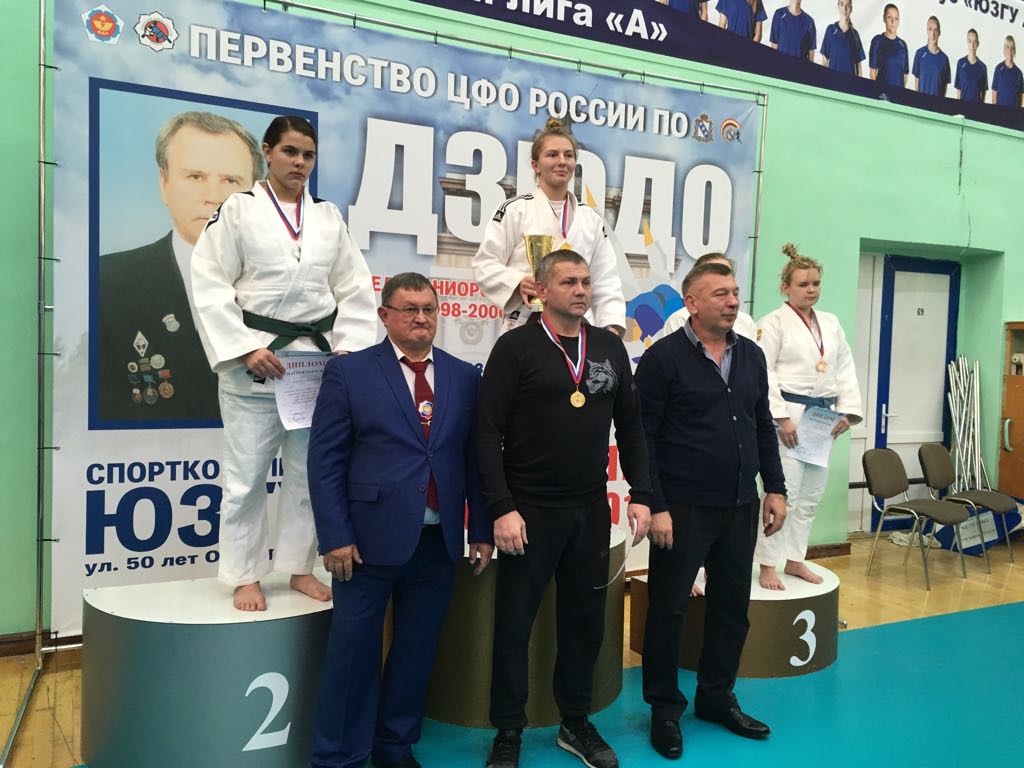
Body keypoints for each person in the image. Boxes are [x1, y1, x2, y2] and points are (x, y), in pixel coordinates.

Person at [307, 272, 494, 768]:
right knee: (353, 655)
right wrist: (335, 536)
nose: (421, 318)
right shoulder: (350, 373)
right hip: (365, 545)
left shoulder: (463, 376)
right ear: (384, 315)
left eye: (429, 309)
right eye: (409, 309)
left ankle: (394, 746)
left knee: (416, 651)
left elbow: (474, 459)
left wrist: (479, 529)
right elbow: (325, 462)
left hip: (437, 543)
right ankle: (339, 757)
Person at [191, 115, 377, 611]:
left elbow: (355, 287)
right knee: (247, 475)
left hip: (314, 365)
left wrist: (348, 350)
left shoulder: (327, 218)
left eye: (308, 155)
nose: (299, 162)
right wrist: (243, 347)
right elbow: (208, 280)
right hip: (256, 361)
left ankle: (299, 566)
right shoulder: (237, 210)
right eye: (290, 152)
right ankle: (245, 574)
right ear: (268, 152)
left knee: (309, 471)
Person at [477, 251, 652, 768]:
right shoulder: (515, 347)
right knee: (515, 626)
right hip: (528, 511)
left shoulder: (609, 348)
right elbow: (485, 432)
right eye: (569, 281)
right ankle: (508, 729)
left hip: (588, 510)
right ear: (542, 290)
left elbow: (632, 426)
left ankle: (575, 722)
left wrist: (642, 492)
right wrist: (501, 507)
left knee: (584, 624)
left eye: (586, 281)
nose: (580, 290)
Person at [636, 260, 786, 760]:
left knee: (731, 609)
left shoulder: (751, 355)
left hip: (740, 504)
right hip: (681, 509)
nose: (732, 301)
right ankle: (664, 708)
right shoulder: (662, 359)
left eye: (735, 292)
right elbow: (643, 438)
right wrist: (656, 504)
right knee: (668, 610)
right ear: (691, 303)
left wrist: (775, 488)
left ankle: (716, 697)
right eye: (720, 293)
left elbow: (762, 424)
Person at [98, 111, 263, 425]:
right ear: (164, 183)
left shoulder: (291, 286)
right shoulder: (106, 283)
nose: (213, 197)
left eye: (231, 180)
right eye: (195, 177)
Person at [754, 244, 862, 591]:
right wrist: (781, 417)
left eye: (815, 283)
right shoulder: (771, 323)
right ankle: (767, 564)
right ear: (785, 287)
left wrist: (848, 411)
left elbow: (844, 367)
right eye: (803, 284)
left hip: (822, 417)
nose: (811, 289)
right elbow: (763, 372)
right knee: (783, 493)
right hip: (790, 415)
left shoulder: (830, 323)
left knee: (812, 494)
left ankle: (795, 557)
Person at [473, 118, 625, 336]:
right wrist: (517, 282)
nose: (562, 161)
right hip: (527, 322)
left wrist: (610, 327)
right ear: (536, 165)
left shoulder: (591, 219)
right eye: (552, 155)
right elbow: (485, 263)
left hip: (578, 328)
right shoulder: (514, 210)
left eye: (568, 155)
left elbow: (605, 278)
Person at [654, 253, 757, 343]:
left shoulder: (746, 322)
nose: (733, 302)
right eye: (713, 271)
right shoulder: (678, 320)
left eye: (726, 272)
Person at [819, 0, 865, 77]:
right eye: (842, 4)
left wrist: (860, 82)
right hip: (832, 79)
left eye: (848, 5)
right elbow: (824, 59)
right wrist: (821, 78)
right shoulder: (831, 30)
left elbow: (858, 65)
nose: (845, 9)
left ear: (851, 8)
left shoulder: (855, 35)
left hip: (850, 81)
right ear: (838, 6)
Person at [869, 4, 908, 88]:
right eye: (889, 17)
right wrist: (880, 91)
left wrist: (901, 92)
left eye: (896, 18)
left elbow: (905, 75)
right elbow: (872, 73)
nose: (893, 22)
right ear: (884, 18)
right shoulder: (877, 41)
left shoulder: (903, 45)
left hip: (899, 93)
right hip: (882, 93)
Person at [912, 16, 951, 97]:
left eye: (935, 30)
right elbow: (916, 85)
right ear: (927, 31)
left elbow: (944, 90)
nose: (933, 34)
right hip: (921, 102)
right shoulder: (919, 54)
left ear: (939, 32)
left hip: (937, 104)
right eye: (930, 29)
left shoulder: (944, 59)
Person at [955, 29, 988, 104]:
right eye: (970, 41)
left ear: (978, 43)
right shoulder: (960, 63)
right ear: (967, 42)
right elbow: (958, 89)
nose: (972, 45)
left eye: (974, 42)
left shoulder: (983, 67)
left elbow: (983, 93)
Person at [991, 36, 1024, 107]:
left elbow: (1021, 97)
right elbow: (994, 96)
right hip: (1000, 111)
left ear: (1014, 51)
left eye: (1012, 48)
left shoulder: (1019, 73)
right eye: (1007, 47)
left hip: (1013, 111)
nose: (1010, 51)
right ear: (1004, 49)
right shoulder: (998, 69)